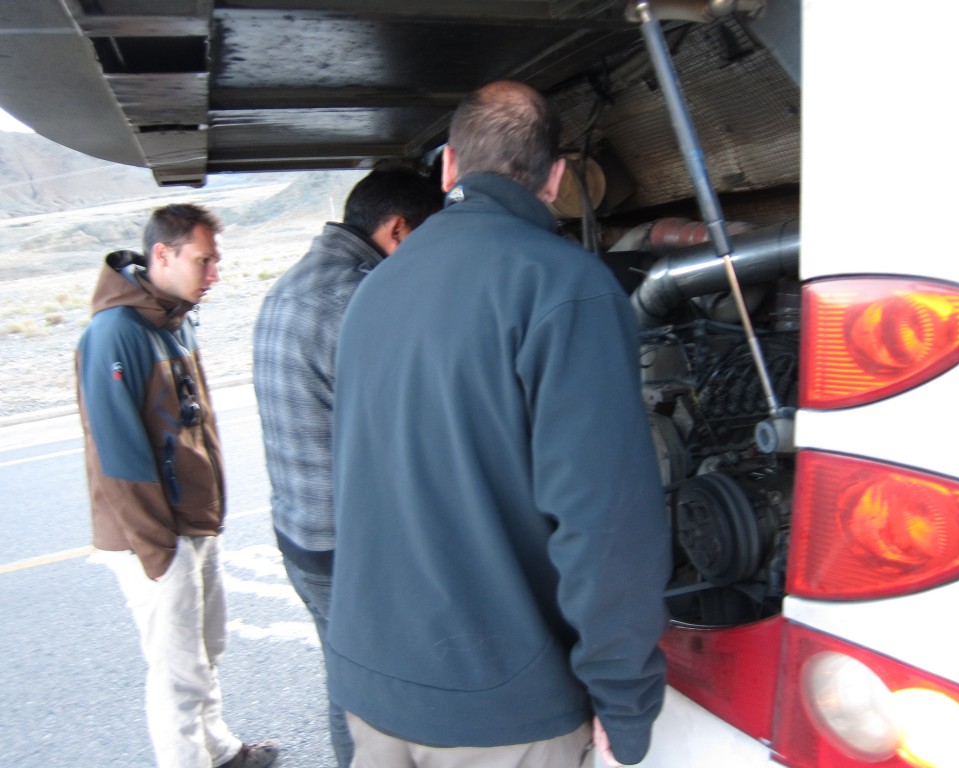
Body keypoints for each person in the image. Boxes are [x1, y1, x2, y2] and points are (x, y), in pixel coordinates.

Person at [326, 80, 671, 767]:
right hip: (497, 708)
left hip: (370, 686)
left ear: (449, 167)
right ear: (555, 178)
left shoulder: (373, 289)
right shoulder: (563, 285)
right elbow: (604, 526)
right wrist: (624, 701)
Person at [251, 168, 443, 767]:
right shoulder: (356, 299)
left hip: (300, 536)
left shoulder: (291, 286)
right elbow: (412, 432)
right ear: (397, 230)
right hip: (349, 549)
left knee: (351, 686)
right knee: (390, 703)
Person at [76, 203, 279, 768]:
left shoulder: (175, 317)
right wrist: (158, 551)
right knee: (176, 671)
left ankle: (217, 748)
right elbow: (118, 454)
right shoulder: (114, 333)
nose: (214, 274)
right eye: (204, 260)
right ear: (161, 255)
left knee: (205, 649)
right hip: (157, 537)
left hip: (194, 521)